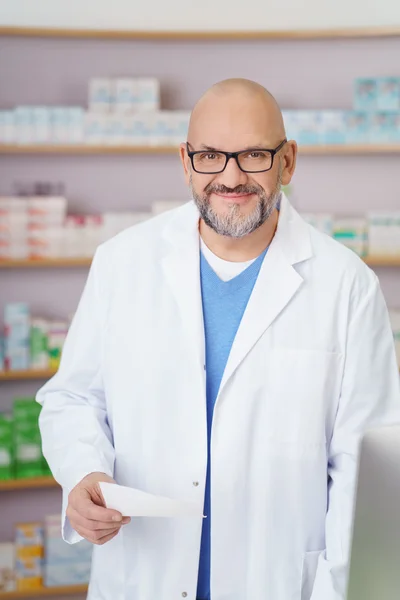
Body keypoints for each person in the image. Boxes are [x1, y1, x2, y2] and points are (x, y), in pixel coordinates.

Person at [37, 78, 400, 600]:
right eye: (210, 155)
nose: (230, 176)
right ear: (186, 161)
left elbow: (365, 475)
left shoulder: (347, 285)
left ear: (288, 161)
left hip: (276, 581)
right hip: (143, 574)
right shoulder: (123, 263)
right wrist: (82, 472)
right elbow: (73, 397)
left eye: (253, 154)